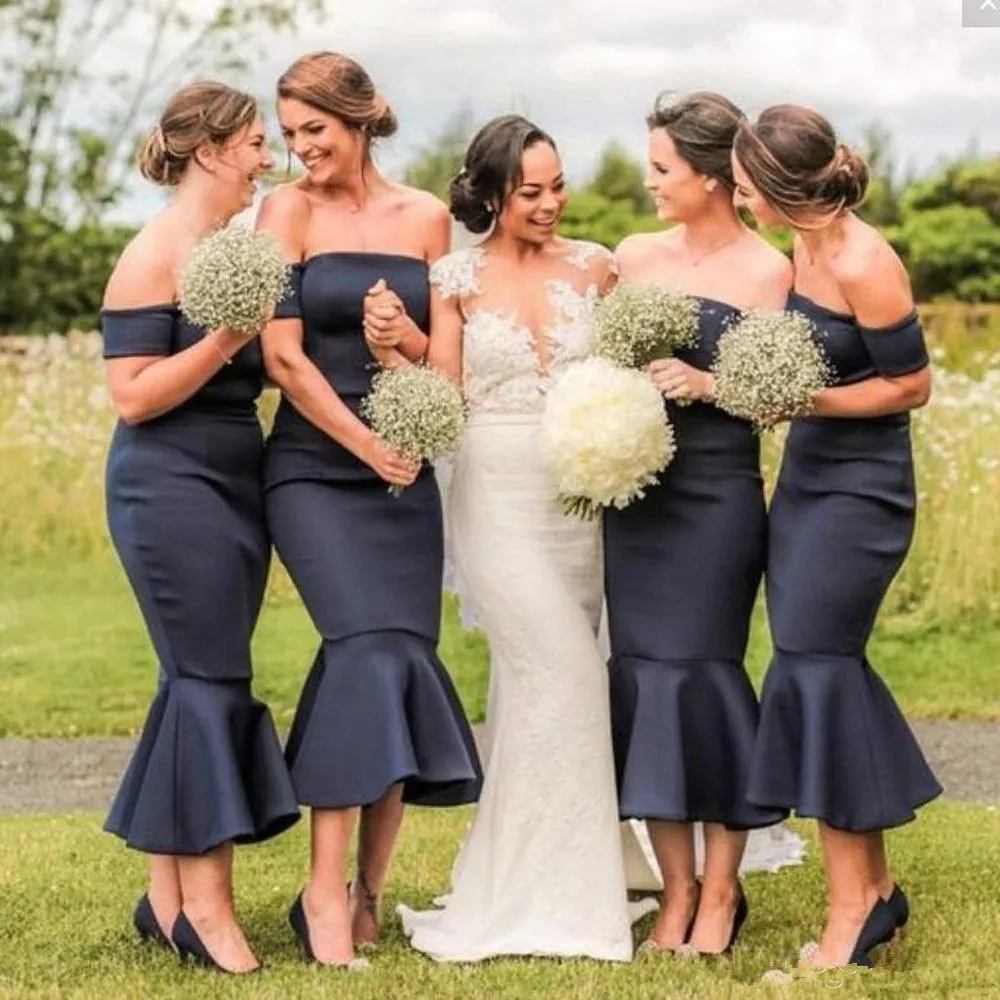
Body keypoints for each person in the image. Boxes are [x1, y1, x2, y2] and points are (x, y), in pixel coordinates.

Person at [372, 114, 641, 962]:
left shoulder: (601, 269)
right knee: (556, 665)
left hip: (580, 491)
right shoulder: (455, 275)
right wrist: (397, 350)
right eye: (531, 190)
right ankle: (537, 887)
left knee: (561, 679)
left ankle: (567, 872)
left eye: (558, 185)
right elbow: (445, 390)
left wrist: (622, 434)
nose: (551, 203)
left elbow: (624, 376)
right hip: (494, 492)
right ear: (490, 193)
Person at [256, 51, 481, 969]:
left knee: (402, 660)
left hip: (406, 478)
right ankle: (319, 890)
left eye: (316, 130)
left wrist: (405, 339)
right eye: (290, 134)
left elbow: (447, 372)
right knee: (363, 651)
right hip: (314, 470)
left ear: (362, 121)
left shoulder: (428, 217)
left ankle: (367, 894)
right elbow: (283, 359)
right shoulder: (285, 213)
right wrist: (362, 442)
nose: (302, 149)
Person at [732, 104, 942, 970]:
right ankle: (877, 891)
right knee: (820, 669)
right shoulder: (805, 247)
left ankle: (852, 903)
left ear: (782, 184)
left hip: (863, 493)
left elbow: (913, 385)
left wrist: (803, 399)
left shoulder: (863, 259)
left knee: (814, 668)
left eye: (746, 182)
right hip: (809, 477)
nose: (739, 194)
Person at [101, 81, 299, 975]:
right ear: (212, 151)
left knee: (193, 678)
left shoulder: (239, 248)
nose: (268, 157)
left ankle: (164, 896)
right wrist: (224, 340)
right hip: (166, 485)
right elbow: (134, 396)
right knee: (212, 678)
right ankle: (208, 911)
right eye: (257, 142)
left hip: (234, 478)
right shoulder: (154, 254)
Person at [605, 91, 806, 958]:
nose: (649, 183)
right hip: (634, 498)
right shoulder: (633, 256)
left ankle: (723, 895)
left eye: (660, 169)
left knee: (707, 680)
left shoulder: (770, 271)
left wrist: (708, 385)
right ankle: (677, 892)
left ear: (713, 175)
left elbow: (783, 398)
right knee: (646, 684)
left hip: (718, 497)